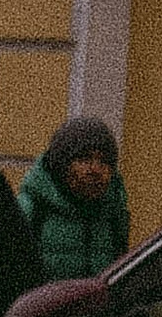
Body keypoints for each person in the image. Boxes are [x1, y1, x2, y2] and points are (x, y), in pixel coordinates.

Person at [20, 114, 130, 279]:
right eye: (84, 159)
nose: (95, 170)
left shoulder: (113, 212)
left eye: (104, 162)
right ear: (62, 164)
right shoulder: (33, 208)